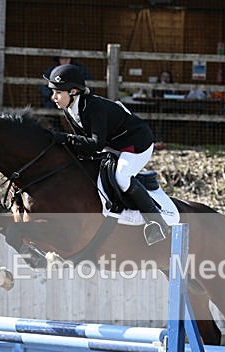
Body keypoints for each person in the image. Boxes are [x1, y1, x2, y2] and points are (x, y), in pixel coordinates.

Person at [43, 63, 168, 245]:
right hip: (112, 144)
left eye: (58, 92)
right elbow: (83, 143)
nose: (53, 97)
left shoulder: (94, 107)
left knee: (122, 177)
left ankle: (157, 222)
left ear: (74, 92)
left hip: (136, 144)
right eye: (52, 91)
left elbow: (95, 144)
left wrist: (65, 138)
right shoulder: (69, 108)